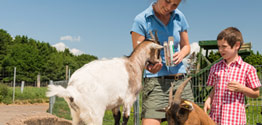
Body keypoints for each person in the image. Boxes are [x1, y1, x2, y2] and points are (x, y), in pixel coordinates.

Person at [130, 0, 194, 124]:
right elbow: (138, 55)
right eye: (167, 1)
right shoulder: (141, 20)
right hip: (156, 83)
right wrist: (149, 67)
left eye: (175, 5)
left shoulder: (180, 17)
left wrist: (181, 54)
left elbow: (186, 46)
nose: (169, 7)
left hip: (180, 81)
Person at [204, 27, 261, 125]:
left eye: (224, 46)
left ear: (237, 45)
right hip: (216, 118)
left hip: (235, 119)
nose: (220, 50)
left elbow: (256, 93)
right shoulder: (215, 68)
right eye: (219, 47)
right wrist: (208, 100)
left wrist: (242, 88)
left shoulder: (248, 69)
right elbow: (215, 88)